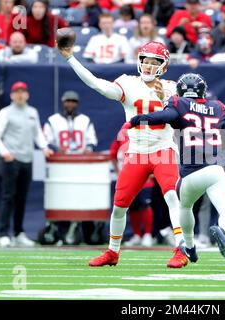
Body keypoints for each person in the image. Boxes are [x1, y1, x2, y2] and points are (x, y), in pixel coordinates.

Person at [57, 41, 188, 268]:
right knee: (119, 205)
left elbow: (182, 120)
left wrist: (166, 99)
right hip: (136, 153)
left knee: (171, 197)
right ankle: (112, 252)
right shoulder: (128, 83)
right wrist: (71, 58)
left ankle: (181, 249)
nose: (147, 66)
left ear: (163, 66)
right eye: (145, 61)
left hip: (163, 150)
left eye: (153, 62)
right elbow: (97, 84)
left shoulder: (171, 87)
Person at [124, 73, 225, 262]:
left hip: (189, 174)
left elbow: (163, 116)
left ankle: (190, 246)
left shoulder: (179, 103)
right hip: (215, 168)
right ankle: (222, 228)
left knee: (184, 208)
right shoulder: (218, 107)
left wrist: (136, 120)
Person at [0, 81, 53, 247]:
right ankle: (3, 233)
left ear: (27, 94)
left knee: (21, 199)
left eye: (23, 91)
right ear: (11, 95)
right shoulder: (5, 113)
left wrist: (44, 147)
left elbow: (37, 133)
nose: (20, 94)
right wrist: (5, 153)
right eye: (17, 92)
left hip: (27, 160)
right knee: (8, 197)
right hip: (11, 161)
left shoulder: (32, 112)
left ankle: (18, 233)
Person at [41, 90, 99, 245]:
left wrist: (88, 149)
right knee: (59, 196)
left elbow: (91, 140)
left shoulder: (85, 120)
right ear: (63, 102)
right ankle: (57, 229)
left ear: (77, 104)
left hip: (80, 165)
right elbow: (46, 139)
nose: (70, 104)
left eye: (73, 101)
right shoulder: (53, 120)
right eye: (68, 101)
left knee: (79, 196)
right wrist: (57, 149)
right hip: (60, 165)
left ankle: (77, 229)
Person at [110, 127, 155, 247]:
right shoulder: (123, 131)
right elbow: (113, 153)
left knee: (145, 205)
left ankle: (148, 235)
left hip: (145, 177)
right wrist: (118, 172)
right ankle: (137, 235)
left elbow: (157, 151)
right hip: (128, 175)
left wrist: (152, 171)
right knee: (133, 207)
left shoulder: (148, 131)